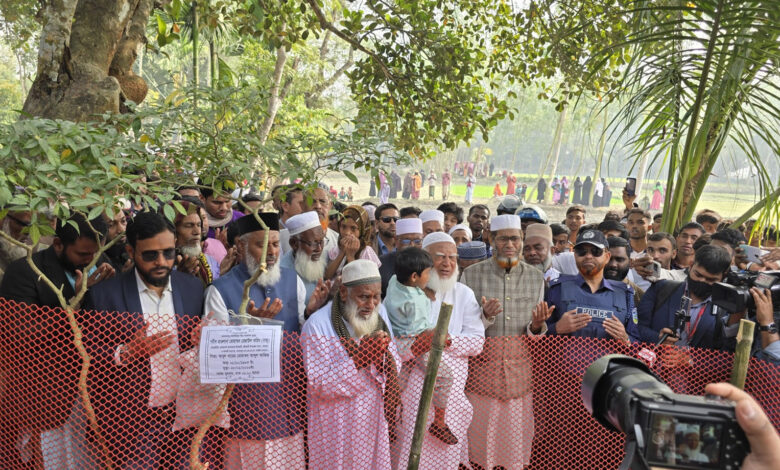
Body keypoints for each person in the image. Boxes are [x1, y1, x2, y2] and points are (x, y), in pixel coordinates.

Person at [204, 212, 327, 469]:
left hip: (288, 401)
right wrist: (251, 328)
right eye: (261, 245)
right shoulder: (220, 290)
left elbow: (301, 336)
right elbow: (214, 358)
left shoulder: (293, 281)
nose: (271, 253)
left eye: (274, 244)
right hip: (246, 407)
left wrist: (309, 313)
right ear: (241, 247)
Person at [82, 211, 204, 468]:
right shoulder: (104, 295)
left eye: (168, 253)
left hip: (184, 420)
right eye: (150, 255)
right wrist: (126, 352)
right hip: (131, 426)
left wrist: (203, 340)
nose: (161, 261)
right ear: (131, 251)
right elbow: (83, 355)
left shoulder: (192, 288)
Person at [0, 213, 113, 468]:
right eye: (83, 254)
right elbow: (19, 335)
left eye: (95, 253)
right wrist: (75, 303)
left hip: (93, 400)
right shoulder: (25, 272)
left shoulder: (101, 263)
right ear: (59, 244)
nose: (91, 260)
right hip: (42, 398)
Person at [459, 215, 551, 470]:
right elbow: (462, 329)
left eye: (515, 239)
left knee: (513, 445)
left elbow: (534, 333)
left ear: (521, 241)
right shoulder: (471, 275)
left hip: (519, 377)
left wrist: (537, 325)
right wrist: (485, 317)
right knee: (478, 442)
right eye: (503, 239)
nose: (510, 245)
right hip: (480, 376)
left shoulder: (535, 277)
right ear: (491, 239)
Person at [393, 232, 485, 469]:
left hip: (449, 398)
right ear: (424, 259)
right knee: (408, 455)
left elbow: (477, 342)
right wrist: (417, 347)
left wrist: (446, 340)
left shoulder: (463, 294)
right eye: (440, 257)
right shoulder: (403, 292)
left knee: (445, 460)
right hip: (410, 397)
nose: (447, 263)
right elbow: (394, 343)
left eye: (452, 258)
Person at [301, 260, 401, 470]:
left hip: (373, 418)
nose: (371, 304)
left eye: (376, 296)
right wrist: (360, 358)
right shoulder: (317, 325)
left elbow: (395, 361)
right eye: (364, 296)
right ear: (344, 293)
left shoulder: (380, 315)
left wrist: (379, 358)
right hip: (336, 424)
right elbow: (319, 386)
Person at [383, 247, 457, 444]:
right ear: (414, 277)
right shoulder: (415, 302)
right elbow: (422, 334)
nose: (430, 276)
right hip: (411, 343)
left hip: (395, 341)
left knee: (398, 384)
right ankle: (439, 422)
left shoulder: (394, 281)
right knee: (445, 376)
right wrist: (440, 337)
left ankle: (388, 424)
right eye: (427, 273)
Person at [545, 229, 640, 344]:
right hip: (563, 356)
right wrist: (555, 329)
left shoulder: (625, 294)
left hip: (610, 356)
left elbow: (637, 343)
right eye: (582, 251)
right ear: (575, 255)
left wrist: (626, 339)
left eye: (596, 251)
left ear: (607, 257)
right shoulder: (557, 288)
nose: (588, 256)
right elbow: (537, 340)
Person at [636, 245, 731, 349]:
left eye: (711, 280)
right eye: (698, 275)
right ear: (691, 265)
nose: (702, 281)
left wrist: (689, 357)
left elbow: (726, 350)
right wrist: (659, 338)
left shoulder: (726, 308)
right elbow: (636, 327)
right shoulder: (662, 289)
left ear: (723, 277)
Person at [279, 211, 329, 307]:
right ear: (294, 244)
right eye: (313, 243)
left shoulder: (315, 258)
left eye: (321, 241)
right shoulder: (284, 274)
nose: (319, 249)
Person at [325, 205, 381, 280]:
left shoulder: (366, 252)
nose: (347, 232)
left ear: (362, 230)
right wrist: (342, 252)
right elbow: (327, 276)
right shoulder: (336, 250)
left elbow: (362, 282)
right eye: (343, 227)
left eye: (353, 228)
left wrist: (350, 256)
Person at [379, 217, 423, 297]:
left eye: (417, 241)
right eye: (406, 241)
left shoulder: (427, 263)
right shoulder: (382, 263)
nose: (412, 245)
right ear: (396, 240)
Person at [604, 236, 645, 306]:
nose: (613, 264)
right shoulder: (586, 287)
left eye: (619, 260)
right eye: (608, 259)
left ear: (630, 262)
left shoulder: (638, 295)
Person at [302, 185, 339, 254]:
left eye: (322, 201)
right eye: (312, 201)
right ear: (302, 206)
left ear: (330, 206)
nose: (318, 206)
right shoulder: (288, 238)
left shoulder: (337, 241)